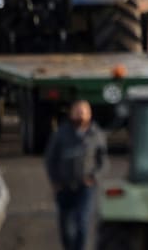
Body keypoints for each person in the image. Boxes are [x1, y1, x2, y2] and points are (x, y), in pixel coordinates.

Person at [44, 100, 108, 250]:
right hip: (64, 186)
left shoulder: (96, 134)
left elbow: (103, 162)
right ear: (71, 113)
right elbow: (50, 159)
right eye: (77, 111)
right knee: (66, 227)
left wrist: (94, 177)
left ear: (89, 114)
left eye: (84, 112)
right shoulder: (61, 134)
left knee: (82, 222)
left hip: (85, 187)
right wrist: (55, 181)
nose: (81, 115)